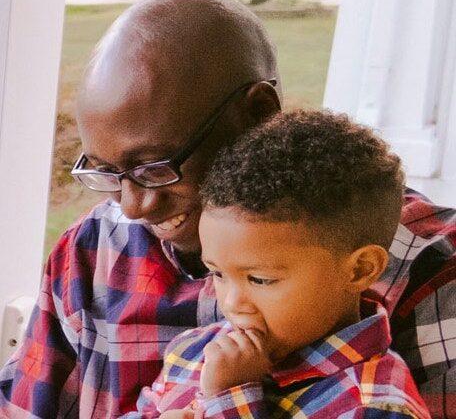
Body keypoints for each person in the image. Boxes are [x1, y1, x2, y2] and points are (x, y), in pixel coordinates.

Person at [0, 0, 454, 418]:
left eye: (155, 166)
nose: (133, 207)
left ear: (259, 113)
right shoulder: (93, 249)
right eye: (107, 173)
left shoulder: (432, 269)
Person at [122, 110, 430, 418]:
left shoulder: (376, 405)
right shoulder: (193, 350)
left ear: (360, 269)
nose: (231, 304)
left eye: (260, 279)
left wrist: (228, 399)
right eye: (217, 273)